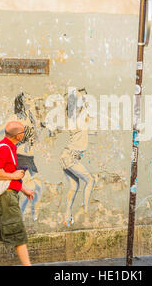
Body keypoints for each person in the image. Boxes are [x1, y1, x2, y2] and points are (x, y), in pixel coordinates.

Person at [0, 121, 35, 266]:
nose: (24, 134)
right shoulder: (5, 149)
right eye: (23, 132)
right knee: (18, 233)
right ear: (18, 136)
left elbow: (6, 175)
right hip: (5, 199)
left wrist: (24, 190)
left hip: (2, 197)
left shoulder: (8, 147)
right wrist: (14, 176)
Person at [0, 92, 43, 221]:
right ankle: (18, 216)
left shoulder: (32, 117)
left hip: (30, 158)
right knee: (29, 187)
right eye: (27, 98)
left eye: (31, 97)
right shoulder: (15, 117)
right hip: (20, 156)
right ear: (21, 102)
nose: (31, 99)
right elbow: (1, 130)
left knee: (38, 187)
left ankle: (32, 213)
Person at [59, 88, 96, 227]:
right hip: (70, 157)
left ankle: (67, 214)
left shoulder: (76, 118)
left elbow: (89, 130)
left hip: (67, 156)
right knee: (90, 180)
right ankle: (85, 209)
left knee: (74, 186)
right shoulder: (76, 116)